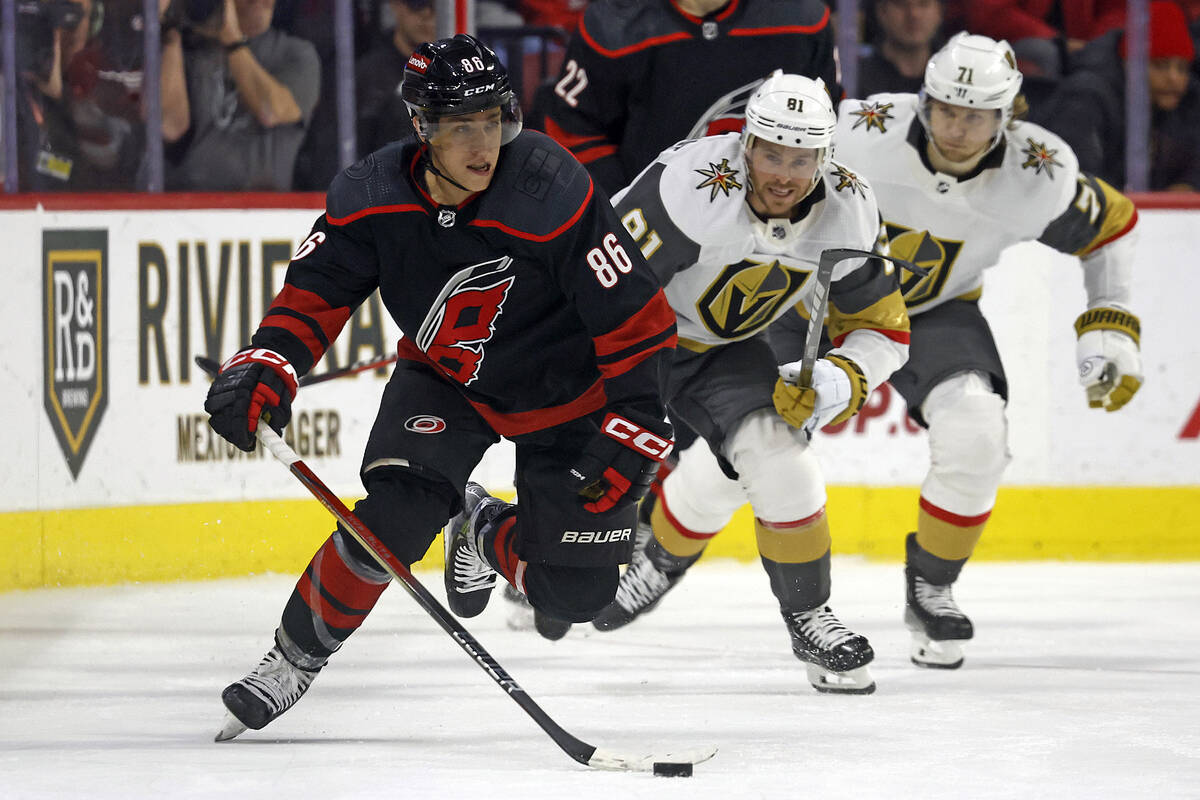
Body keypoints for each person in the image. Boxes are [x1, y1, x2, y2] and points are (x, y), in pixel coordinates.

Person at [602, 33, 1144, 673]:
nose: (958, 129)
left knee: (976, 430)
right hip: (793, 303)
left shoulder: (1039, 176)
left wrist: (1112, 323)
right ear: (923, 98)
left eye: (977, 115)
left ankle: (931, 586)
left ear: (1010, 114)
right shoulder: (858, 133)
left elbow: (1111, 226)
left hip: (932, 308)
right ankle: (662, 556)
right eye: (945, 108)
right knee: (757, 447)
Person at [202, 33, 676, 739]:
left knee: (573, 593)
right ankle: (292, 659)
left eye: (493, 120)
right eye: (461, 127)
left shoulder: (551, 187)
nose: (483, 144)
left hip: (567, 394)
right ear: (422, 127)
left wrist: (638, 418)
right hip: (448, 380)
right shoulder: (370, 196)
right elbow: (314, 291)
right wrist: (268, 361)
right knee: (392, 519)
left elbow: (635, 313)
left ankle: (480, 527)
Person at [582, 71, 912, 695]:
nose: (783, 173)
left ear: (826, 156)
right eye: (770, 153)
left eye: (801, 157)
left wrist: (840, 379)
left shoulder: (849, 209)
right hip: (626, 342)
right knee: (575, 533)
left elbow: (884, 331)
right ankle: (514, 555)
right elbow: (602, 288)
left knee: (781, 458)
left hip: (718, 353)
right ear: (745, 143)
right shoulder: (686, 188)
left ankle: (808, 616)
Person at [538, 0, 838, 197]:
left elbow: (827, 126)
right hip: (650, 224)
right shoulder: (614, 23)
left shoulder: (803, 19)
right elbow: (573, 132)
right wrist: (628, 206)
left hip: (774, 212)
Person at [1037, 1, 1200, 191]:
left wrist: (1188, 185)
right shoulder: (1085, 99)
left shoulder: (1187, 102)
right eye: (1160, 65)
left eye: (1182, 68)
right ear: (1128, 63)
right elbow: (1076, 178)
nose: (1174, 79)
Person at [162, 0, 320, 190]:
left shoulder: (296, 54)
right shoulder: (191, 49)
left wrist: (231, 38)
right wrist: (170, 31)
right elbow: (168, 125)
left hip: (267, 211)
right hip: (187, 206)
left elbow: (270, 111)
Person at [355, 0, 437, 157]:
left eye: (438, 6)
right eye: (418, 4)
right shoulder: (367, 74)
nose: (428, 15)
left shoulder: (465, 72)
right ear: (395, 5)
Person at [859, 0, 945, 96]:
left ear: (939, 11)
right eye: (901, 4)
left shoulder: (956, 75)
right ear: (882, 11)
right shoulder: (855, 78)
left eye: (923, 4)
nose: (914, 14)